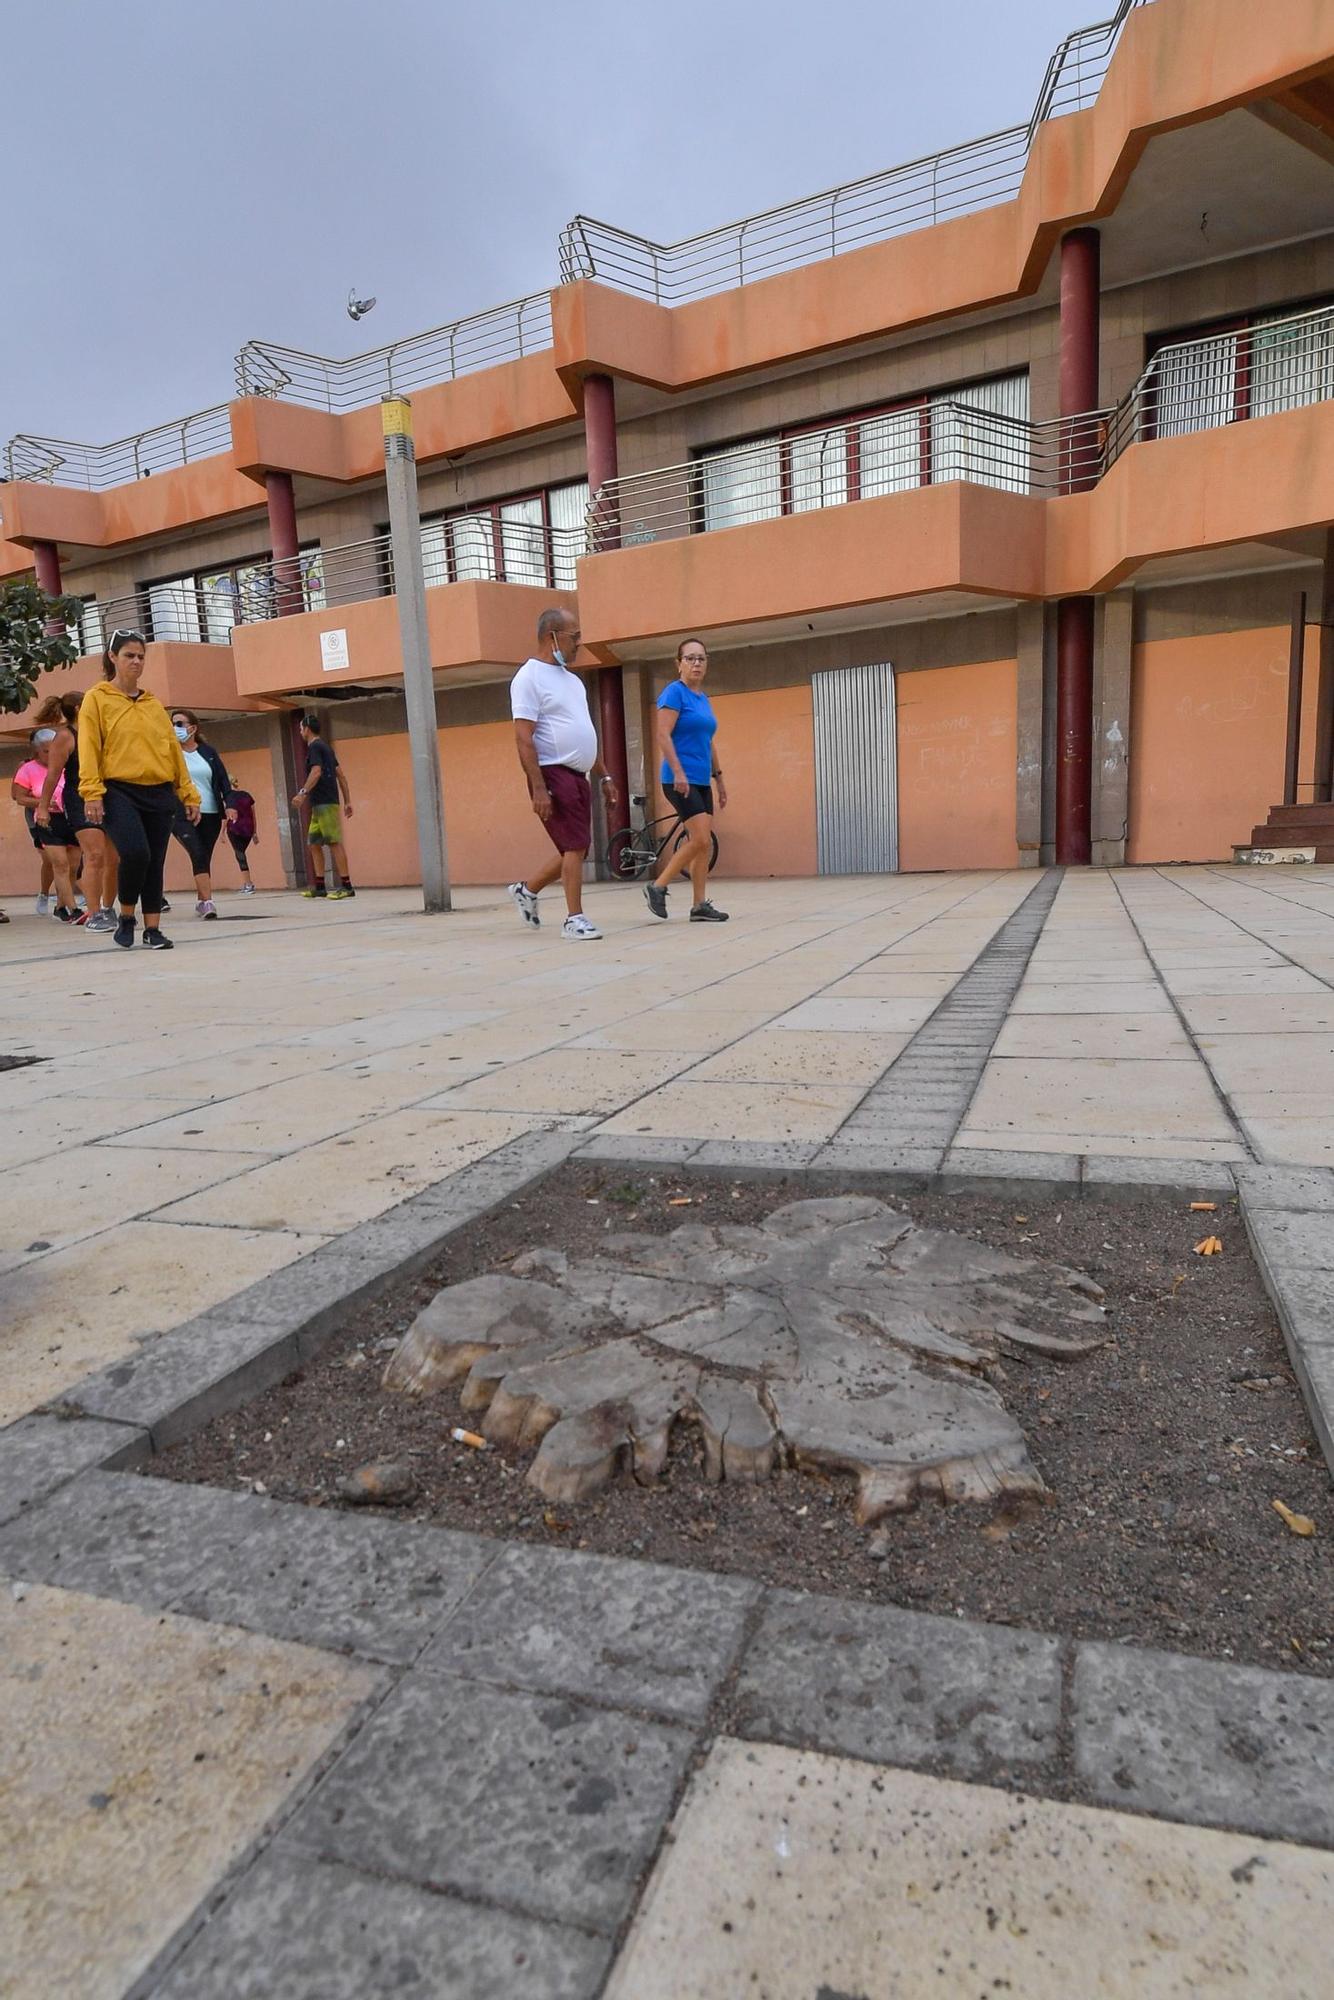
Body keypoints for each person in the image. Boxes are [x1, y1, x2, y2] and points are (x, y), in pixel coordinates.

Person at [77, 628, 201, 950]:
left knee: (155, 859)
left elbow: (172, 750)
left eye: (141, 656)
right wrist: (91, 791)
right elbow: (88, 746)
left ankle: (153, 929)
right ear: (113, 657)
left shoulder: (152, 703)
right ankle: (126, 916)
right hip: (119, 790)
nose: (136, 662)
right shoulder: (97, 698)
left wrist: (187, 793)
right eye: (129, 655)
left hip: (159, 791)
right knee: (135, 852)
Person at [507, 608, 618, 941]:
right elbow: (523, 737)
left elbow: (583, 734)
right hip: (552, 773)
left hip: (579, 774)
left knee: (577, 846)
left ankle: (527, 890)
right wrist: (538, 789)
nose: (579, 644)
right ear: (551, 636)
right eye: (575, 636)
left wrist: (605, 776)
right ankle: (574, 918)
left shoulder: (573, 681)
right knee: (574, 846)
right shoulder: (528, 678)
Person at [642, 637, 729, 923]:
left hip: (701, 780)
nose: (696, 663)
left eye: (701, 658)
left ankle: (699, 905)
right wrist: (679, 772)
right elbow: (662, 735)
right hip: (678, 778)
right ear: (678, 663)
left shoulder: (703, 700)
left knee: (703, 843)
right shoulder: (673, 693)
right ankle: (658, 885)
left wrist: (719, 779)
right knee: (701, 838)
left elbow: (709, 741)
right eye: (690, 658)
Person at [33, 693, 118, 933]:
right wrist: (43, 806)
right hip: (79, 798)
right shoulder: (66, 736)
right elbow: (52, 774)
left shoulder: (100, 731)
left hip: (108, 796)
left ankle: (108, 908)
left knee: (114, 858)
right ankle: (93, 912)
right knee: (94, 855)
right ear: (81, 708)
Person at [169, 709, 234, 919]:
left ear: (193, 728)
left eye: (179, 724)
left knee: (204, 856)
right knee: (196, 852)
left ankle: (201, 899)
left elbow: (223, 781)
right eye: (173, 724)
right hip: (181, 814)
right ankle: (208, 902)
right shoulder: (170, 753)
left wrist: (230, 805)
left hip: (211, 813)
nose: (175, 728)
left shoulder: (208, 752)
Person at [14, 727, 81, 923]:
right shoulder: (27, 769)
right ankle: (73, 908)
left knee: (73, 865)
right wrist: (42, 803)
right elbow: (19, 797)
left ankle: (61, 906)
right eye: (46, 751)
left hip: (70, 816)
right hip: (47, 819)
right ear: (36, 751)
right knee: (59, 864)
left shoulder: (68, 765)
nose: (51, 754)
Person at [291, 714, 354, 899]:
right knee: (314, 843)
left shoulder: (315, 747)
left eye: (301, 728)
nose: (300, 731)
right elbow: (340, 775)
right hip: (319, 804)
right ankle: (319, 886)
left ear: (307, 729)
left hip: (325, 803)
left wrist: (302, 793)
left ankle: (347, 886)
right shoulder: (326, 747)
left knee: (334, 842)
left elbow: (316, 771)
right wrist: (347, 801)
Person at [226, 786, 258, 893]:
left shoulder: (229, 797)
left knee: (240, 855)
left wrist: (221, 832)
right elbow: (253, 814)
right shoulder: (247, 795)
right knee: (241, 854)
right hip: (248, 828)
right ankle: (247, 882)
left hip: (235, 828)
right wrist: (254, 832)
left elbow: (228, 816)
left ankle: (249, 884)